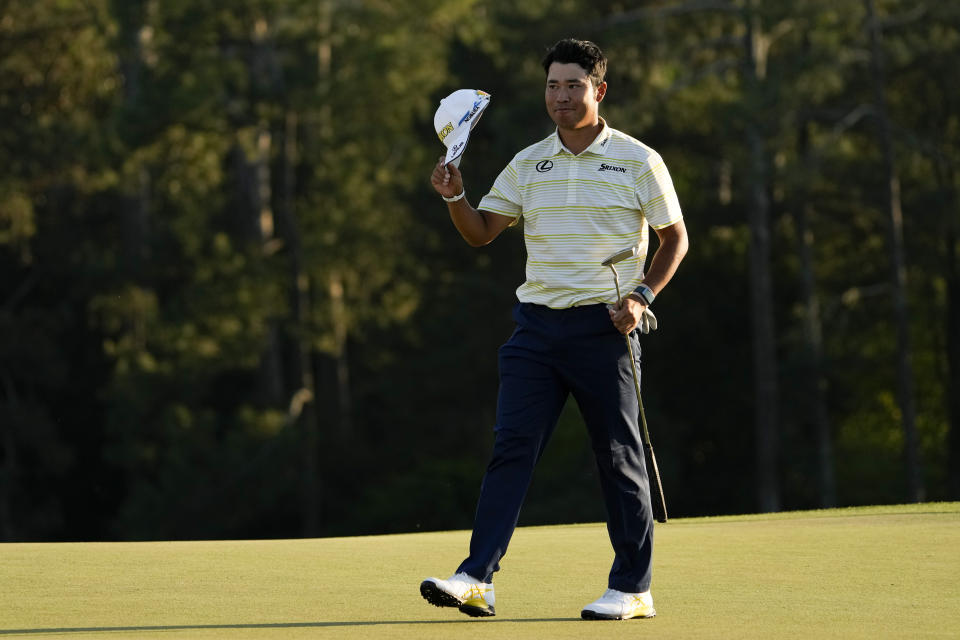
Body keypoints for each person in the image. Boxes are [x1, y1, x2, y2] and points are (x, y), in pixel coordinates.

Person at [420, 38, 688, 621]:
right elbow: (482, 232)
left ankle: (633, 588)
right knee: (510, 448)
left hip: (606, 328)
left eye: (573, 85)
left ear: (599, 90)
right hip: (535, 331)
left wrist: (642, 296)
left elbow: (675, 239)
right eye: (553, 85)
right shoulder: (527, 162)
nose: (561, 96)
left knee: (618, 456)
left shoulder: (638, 160)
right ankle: (475, 579)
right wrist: (456, 195)